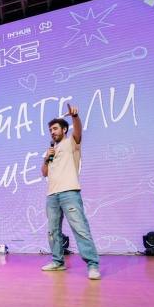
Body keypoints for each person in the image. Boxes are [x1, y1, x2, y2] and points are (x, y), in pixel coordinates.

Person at [41, 104, 101, 280]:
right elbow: (44, 173)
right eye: (50, 130)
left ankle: (92, 265)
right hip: (52, 195)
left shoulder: (71, 143)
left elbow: (78, 131)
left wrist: (75, 117)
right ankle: (57, 262)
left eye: (55, 129)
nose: (52, 132)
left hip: (69, 192)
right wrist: (46, 159)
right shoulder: (51, 150)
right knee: (53, 231)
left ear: (64, 129)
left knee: (80, 228)